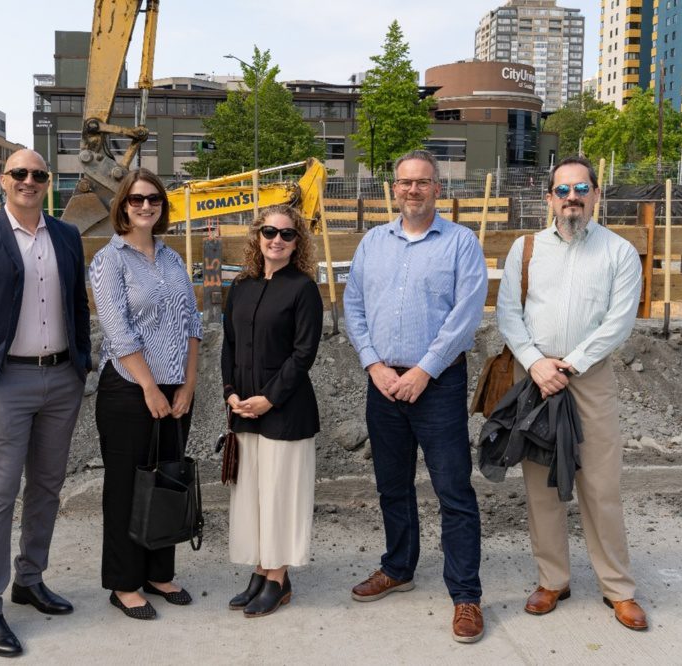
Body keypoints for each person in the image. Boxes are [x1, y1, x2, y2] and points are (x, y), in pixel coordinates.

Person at [0, 149, 91, 656]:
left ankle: (29, 579)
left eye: (38, 175)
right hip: (5, 382)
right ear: (3, 180)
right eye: (20, 173)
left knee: (48, 487)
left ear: (48, 183)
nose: (29, 181)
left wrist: (82, 363)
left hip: (60, 380)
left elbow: (76, 305)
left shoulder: (67, 236)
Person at [496, 156, 646, 631]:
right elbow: (508, 312)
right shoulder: (526, 250)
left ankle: (618, 589)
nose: (572, 199)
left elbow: (619, 320)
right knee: (542, 486)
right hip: (535, 377)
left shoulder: (619, 252)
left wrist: (572, 363)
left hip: (589, 378)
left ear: (596, 195)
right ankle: (552, 580)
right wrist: (537, 363)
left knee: (601, 485)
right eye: (562, 191)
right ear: (549, 199)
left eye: (581, 189)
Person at [343, 149, 488, 643]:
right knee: (392, 484)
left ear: (437, 189)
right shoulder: (372, 243)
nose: (412, 190)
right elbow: (353, 304)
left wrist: (424, 371)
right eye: (404, 182)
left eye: (422, 182)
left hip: (439, 384)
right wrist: (373, 364)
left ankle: (466, 594)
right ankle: (398, 567)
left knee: (454, 490)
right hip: (383, 383)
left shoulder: (461, 243)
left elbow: (466, 316)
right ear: (394, 188)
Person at [90, 168, 202, 620]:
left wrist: (189, 383)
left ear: (162, 205)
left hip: (177, 387)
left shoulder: (172, 258)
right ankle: (124, 582)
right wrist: (150, 387)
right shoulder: (108, 260)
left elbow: (193, 324)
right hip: (129, 388)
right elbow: (118, 331)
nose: (145, 206)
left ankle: (159, 571)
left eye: (153, 199)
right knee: (126, 486)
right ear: (123, 205)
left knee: (167, 480)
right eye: (136, 200)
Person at [221, 205, 323, 618]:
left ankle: (278, 579)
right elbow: (227, 343)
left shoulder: (303, 289)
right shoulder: (241, 286)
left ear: (298, 242)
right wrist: (230, 392)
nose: (276, 240)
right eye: (269, 232)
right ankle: (260, 571)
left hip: (285, 411)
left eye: (286, 234)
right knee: (251, 497)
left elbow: (304, 354)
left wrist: (269, 397)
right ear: (256, 236)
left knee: (279, 497)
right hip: (243, 409)